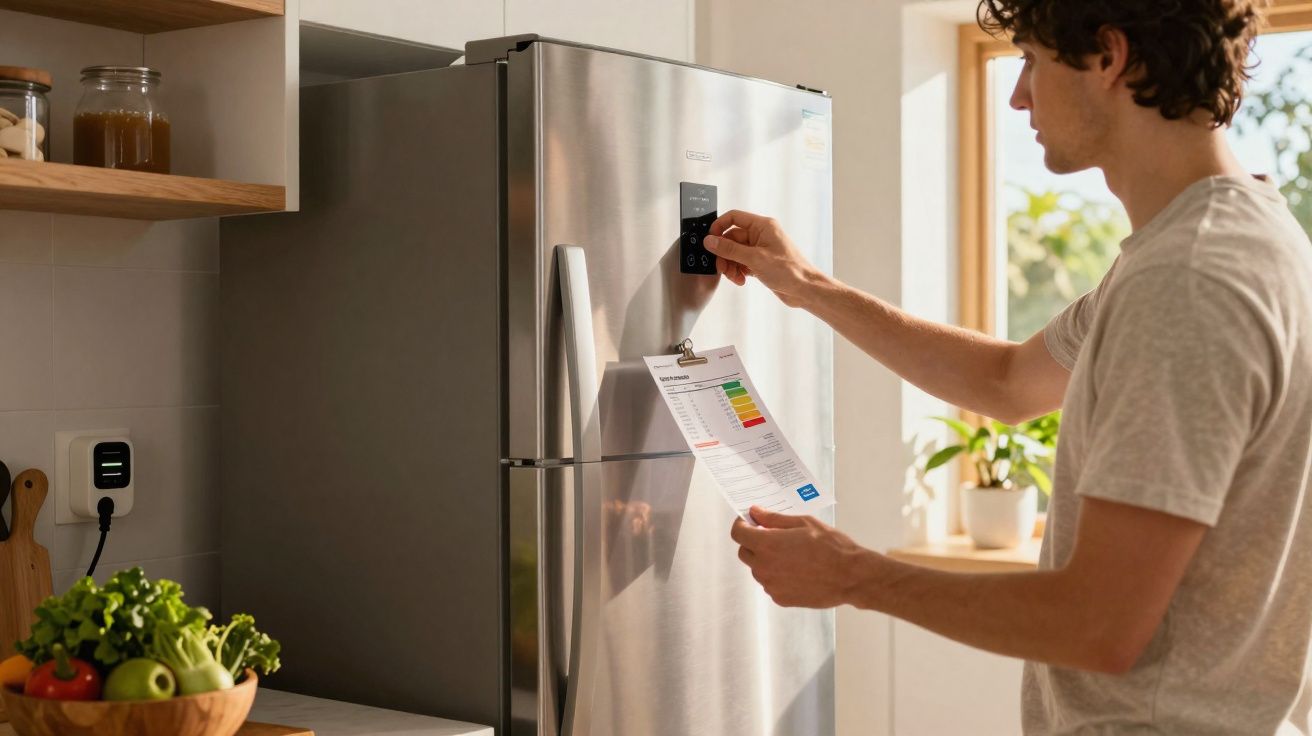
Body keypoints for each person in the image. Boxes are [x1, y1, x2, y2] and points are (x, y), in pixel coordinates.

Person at [714, 0, 1312, 732]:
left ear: (1109, 57)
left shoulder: (1188, 279)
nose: (1017, 93)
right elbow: (1005, 383)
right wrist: (807, 286)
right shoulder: (1225, 241)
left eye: (1031, 58)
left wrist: (853, 575)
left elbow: (1099, 624)